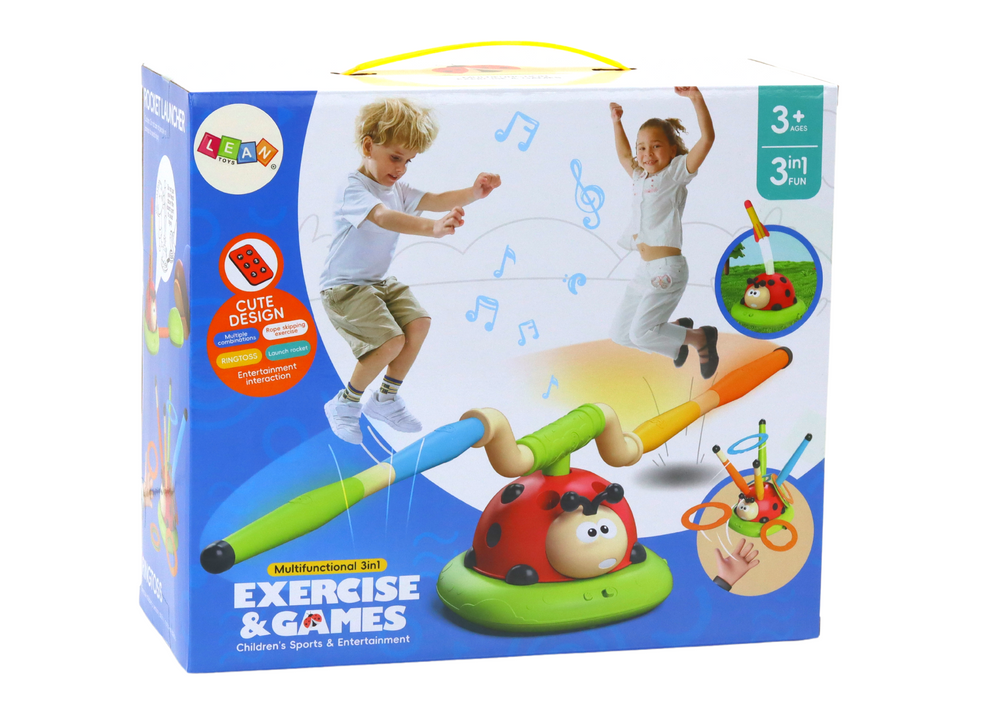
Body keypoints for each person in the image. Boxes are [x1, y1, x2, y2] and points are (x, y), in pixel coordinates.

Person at [319, 98, 501, 444]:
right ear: (368, 147)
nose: (401, 168)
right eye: (395, 157)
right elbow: (383, 217)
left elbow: (435, 199)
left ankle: (385, 399)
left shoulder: (396, 189)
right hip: (344, 288)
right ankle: (346, 403)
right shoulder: (353, 188)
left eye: (408, 161)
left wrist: (474, 193)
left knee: (418, 323)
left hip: (376, 283)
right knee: (390, 342)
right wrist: (432, 228)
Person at [608, 87, 719, 378]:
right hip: (645, 270)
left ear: (672, 150)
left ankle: (700, 337)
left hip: (668, 269)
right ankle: (676, 335)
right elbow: (624, 155)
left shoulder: (676, 174)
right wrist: (617, 122)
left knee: (641, 333)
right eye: (642, 147)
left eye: (656, 146)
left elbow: (707, 139)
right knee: (621, 334)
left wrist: (696, 99)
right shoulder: (640, 176)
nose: (647, 154)